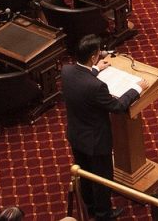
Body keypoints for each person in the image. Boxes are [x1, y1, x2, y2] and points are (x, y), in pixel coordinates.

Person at [61, 34, 149, 220]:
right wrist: (137, 88)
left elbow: (81, 81)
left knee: (84, 174)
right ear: (93, 56)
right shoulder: (96, 86)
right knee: (102, 179)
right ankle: (104, 215)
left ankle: (90, 208)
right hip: (96, 142)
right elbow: (117, 107)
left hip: (76, 136)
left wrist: (94, 70)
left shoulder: (66, 71)